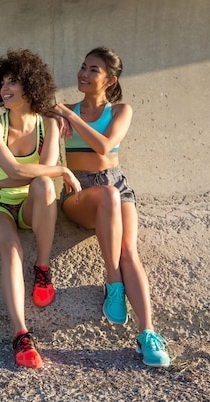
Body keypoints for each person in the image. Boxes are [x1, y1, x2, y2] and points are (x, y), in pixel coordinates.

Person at [48, 47, 170, 367]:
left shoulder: (120, 111)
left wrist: (71, 116)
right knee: (106, 197)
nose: (84, 74)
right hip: (81, 192)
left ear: (110, 79)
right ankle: (113, 281)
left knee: (130, 250)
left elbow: (104, 147)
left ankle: (148, 335)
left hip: (117, 183)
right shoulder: (62, 112)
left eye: (93, 70)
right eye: (83, 67)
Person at [0, 49, 81, 369]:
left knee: (44, 186)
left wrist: (3, 183)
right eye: (3, 83)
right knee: (10, 250)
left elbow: (41, 175)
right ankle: (21, 335)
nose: (5, 89)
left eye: (14, 82)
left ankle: (43, 268)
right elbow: (21, 169)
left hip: (28, 203)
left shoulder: (47, 125)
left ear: (31, 87)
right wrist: (63, 171)